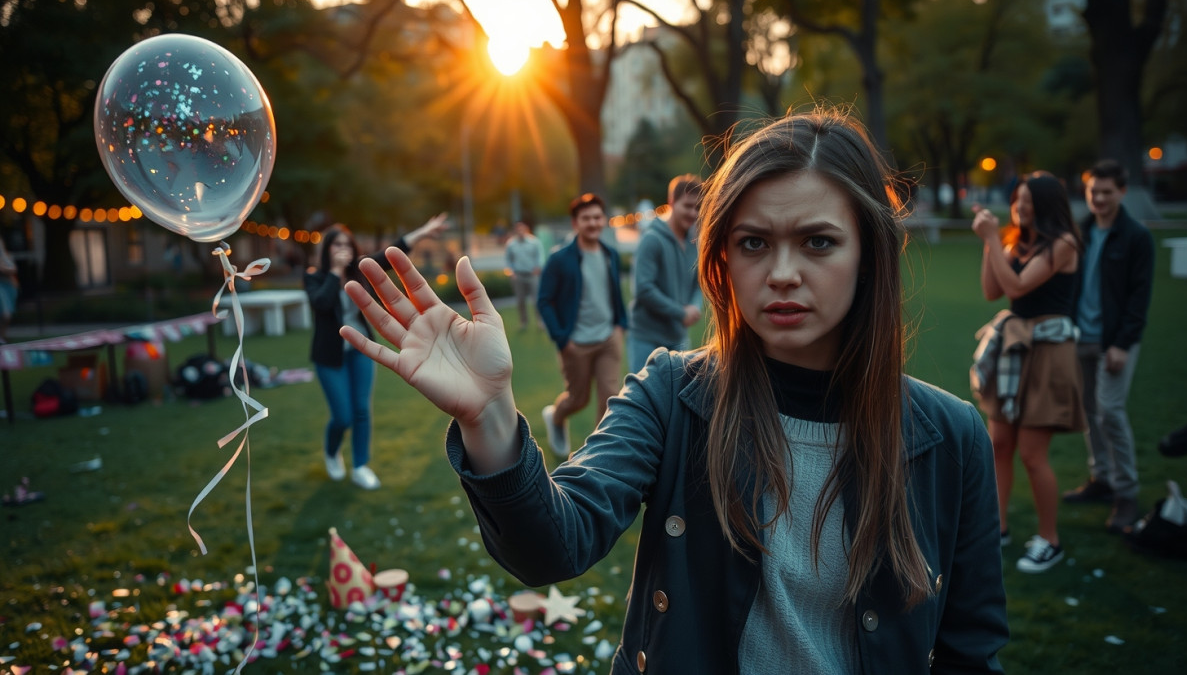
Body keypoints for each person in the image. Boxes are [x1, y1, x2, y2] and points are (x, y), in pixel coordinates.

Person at [339, 110, 1008, 673]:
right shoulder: (672, 394)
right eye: (753, 242)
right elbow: (555, 543)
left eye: (817, 242)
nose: (781, 273)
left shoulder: (951, 437)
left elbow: (970, 649)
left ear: (868, 254)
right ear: (721, 260)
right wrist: (490, 418)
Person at [970, 172, 1086, 573]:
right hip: (1013, 348)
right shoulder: (1016, 241)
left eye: (1029, 202)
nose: (1020, 208)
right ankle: (997, 527)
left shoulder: (1065, 244)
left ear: (1048, 204)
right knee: (999, 443)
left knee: (1034, 455)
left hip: (1049, 352)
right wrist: (993, 244)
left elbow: (1017, 287)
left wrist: (989, 239)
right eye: (1017, 200)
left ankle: (1049, 540)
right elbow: (991, 291)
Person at [303, 213, 447, 489]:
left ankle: (360, 466)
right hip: (329, 357)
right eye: (336, 244)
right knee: (342, 416)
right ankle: (332, 452)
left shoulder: (359, 269)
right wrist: (335, 272)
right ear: (327, 250)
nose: (342, 249)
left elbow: (392, 252)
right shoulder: (314, 277)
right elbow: (320, 304)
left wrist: (425, 230)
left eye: (347, 244)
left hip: (359, 351)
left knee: (361, 411)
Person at [1062, 159, 1155, 534]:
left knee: (1111, 411)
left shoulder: (1136, 236)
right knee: (1089, 412)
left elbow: (1139, 298)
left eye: (1106, 192)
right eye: (1092, 192)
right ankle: (1101, 478)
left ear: (1122, 192)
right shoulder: (1080, 231)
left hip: (1115, 342)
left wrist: (1122, 344)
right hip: (1079, 336)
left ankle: (1127, 492)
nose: (1098, 198)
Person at [535, 194, 627, 458]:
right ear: (575, 223)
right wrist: (563, 340)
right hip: (576, 343)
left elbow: (614, 293)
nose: (593, 223)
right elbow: (544, 302)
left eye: (597, 217)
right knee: (578, 399)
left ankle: (597, 457)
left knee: (610, 398)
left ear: (604, 220)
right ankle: (556, 416)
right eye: (586, 218)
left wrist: (620, 324)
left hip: (609, 337)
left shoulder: (611, 255)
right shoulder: (560, 259)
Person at [626, 174, 704, 372]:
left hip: (678, 338)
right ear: (671, 202)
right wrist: (680, 312)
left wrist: (695, 306)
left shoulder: (694, 241)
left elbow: (698, 281)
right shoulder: (652, 239)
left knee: (676, 401)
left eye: (698, 207)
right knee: (644, 402)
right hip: (647, 338)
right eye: (687, 206)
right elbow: (643, 289)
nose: (693, 213)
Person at [503, 221, 544, 331]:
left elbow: (540, 256)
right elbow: (508, 260)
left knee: (536, 300)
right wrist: (511, 272)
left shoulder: (534, 242)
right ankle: (523, 322)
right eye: (518, 230)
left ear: (526, 230)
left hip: (532, 275)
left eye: (523, 229)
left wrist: (538, 267)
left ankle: (540, 321)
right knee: (520, 300)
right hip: (518, 275)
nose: (520, 232)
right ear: (515, 231)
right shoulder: (511, 244)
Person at [0, 237, 17, 343]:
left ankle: (2, 336)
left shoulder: (6, 256)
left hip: (8, 286)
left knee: (7, 314)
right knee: (6, 314)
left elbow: (13, 269)